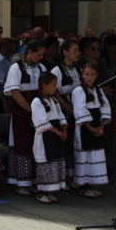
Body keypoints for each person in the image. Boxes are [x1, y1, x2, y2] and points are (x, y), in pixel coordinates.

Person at [4, 40, 47, 196]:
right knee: (22, 143)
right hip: (22, 110)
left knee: (37, 143)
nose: (41, 58)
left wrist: (40, 110)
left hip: (38, 108)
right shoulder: (16, 68)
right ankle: (21, 182)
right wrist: (32, 111)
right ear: (30, 52)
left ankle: (33, 180)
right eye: (39, 54)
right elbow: (15, 93)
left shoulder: (42, 68)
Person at [72, 63, 111, 197]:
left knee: (94, 156)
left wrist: (101, 125)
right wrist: (91, 128)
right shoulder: (78, 91)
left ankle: (91, 184)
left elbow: (104, 107)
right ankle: (83, 186)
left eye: (92, 74)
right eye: (87, 74)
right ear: (82, 74)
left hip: (96, 125)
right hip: (85, 127)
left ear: (96, 75)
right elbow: (79, 110)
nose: (89, 77)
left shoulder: (98, 90)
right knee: (84, 155)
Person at [31, 72, 68, 204]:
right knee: (45, 162)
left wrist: (63, 128)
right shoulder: (37, 101)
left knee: (54, 161)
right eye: (53, 85)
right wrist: (57, 131)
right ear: (44, 85)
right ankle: (41, 192)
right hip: (45, 137)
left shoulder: (54, 100)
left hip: (55, 135)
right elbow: (41, 121)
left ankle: (50, 190)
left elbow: (60, 115)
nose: (55, 88)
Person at [51, 40, 82, 189]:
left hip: (78, 109)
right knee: (65, 142)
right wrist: (70, 111)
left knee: (74, 142)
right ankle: (63, 178)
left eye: (78, 50)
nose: (78, 53)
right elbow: (56, 95)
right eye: (75, 50)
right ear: (65, 52)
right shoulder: (57, 70)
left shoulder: (79, 69)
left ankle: (73, 176)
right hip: (64, 110)